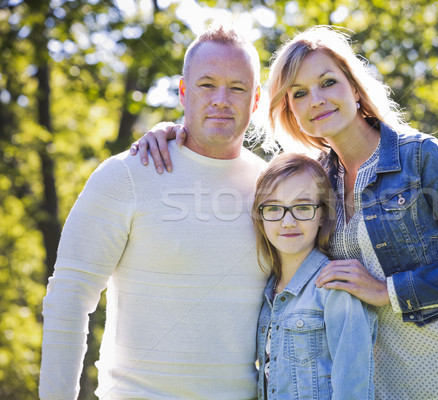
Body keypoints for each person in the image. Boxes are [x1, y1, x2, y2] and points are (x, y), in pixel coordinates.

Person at [132, 26, 438, 399]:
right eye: (299, 93)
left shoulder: (418, 156)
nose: (316, 99)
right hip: (382, 386)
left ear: (354, 86)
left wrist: (387, 291)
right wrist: (174, 132)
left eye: (328, 82)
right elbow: (261, 194)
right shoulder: (317, 179)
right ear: (290, 109)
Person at [39, 25, 267, 399]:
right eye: (206, 84)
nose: (221, 99)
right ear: (183, 91)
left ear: (255, 99)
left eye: (237, 88)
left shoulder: (271, 188)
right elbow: (69, 296)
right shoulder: (127, 174)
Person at [252, 152, 377, 399]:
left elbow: (354, 387)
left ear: (322, 215)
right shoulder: (266, 291)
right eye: (274, 208)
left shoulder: (335, 286)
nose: (288, 222)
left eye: (302, 207)